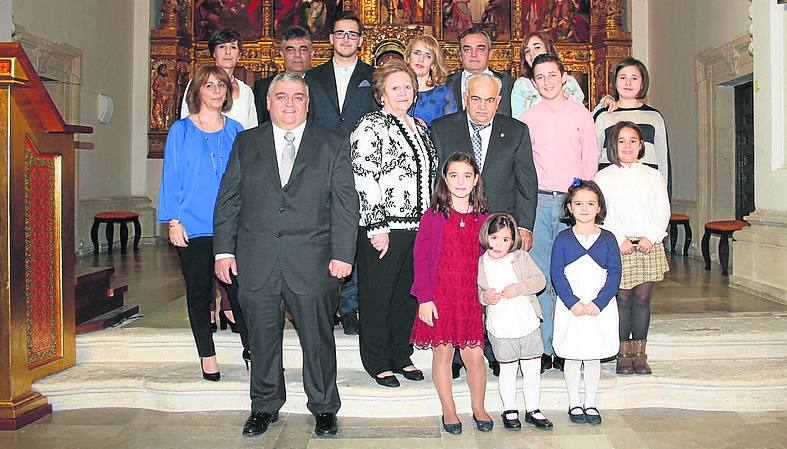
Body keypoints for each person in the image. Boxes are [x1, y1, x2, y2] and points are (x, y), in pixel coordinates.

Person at [213, 73, 359, 437]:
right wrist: (223, 250)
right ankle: (263, 406)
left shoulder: (332, 144)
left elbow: (345, 204)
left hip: (314, 260)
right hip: (257, 259)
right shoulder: (246, 143)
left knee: (318, 339)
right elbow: (229, 200)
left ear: (308, 103)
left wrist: (343, 253)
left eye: (297, 96)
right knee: (262, 339)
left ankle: (324, 407)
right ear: (268, 102)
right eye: (281, 96)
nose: (289, 103)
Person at [431, 72, 538, 378]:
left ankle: (494, 350)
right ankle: (452, 353)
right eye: (475, 99)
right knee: (458, 287)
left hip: (499, 230)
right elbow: (435, 180)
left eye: (489, 100)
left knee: (495, 287)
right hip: (455, 224)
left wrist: (525, 226)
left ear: (499, 102)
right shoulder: (443, 128)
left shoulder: (516, 130)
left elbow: (526, 182)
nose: (481, 106)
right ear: (466, 98)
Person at [350, 60, 437, 388]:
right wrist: (376, 226)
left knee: (407, 295)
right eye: (395, 87)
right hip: (385, 229)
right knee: (378, 295)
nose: (403, 92)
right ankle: (376, 359)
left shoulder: (421, 127)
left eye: (407, 87)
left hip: (420, 228)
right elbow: (364, 177)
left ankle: (401, 352)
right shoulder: (371, 125)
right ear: (381, 94)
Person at [158, 64, 245, 382]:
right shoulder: (181, 130)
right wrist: (173, 220)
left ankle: (251, 349)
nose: (216, 91)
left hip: (231, 225)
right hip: (192, 224)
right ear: (197, 91)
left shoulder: (236, 130)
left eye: (221, 85)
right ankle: (207, 356)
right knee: (198, 292)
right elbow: (172, 176)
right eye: (209, 85)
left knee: (240, 291)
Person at [520, 54, 598, 373]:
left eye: (552, 75)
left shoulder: (581, 115)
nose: (547, 82)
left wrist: (582, 203)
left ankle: (568, 346)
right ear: (533, 82)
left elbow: (590, 160)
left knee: (568, 274)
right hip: (538, 202)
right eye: (540, 77)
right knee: (540, 275)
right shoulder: (528, 118)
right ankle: (544, 347)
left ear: (563, 76)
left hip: (571, 201)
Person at [305, 11, 378, 334]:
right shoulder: (313, 78)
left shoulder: (372, 76)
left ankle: (350, 307)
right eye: (340, 33)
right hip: (321, 167)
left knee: (355, 236)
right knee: (322, 236)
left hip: (361, 169)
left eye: (352, 34)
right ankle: (326, 303)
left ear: (360, 40)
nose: (346, 39)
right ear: (331, 39)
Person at [411, 151, 493, 435]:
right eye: (454, 175)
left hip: (470, 297)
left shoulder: (485, 219)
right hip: (440, 296)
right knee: (443, 354)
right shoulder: (433, 217)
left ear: (475, 180)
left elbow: (492, 258)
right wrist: (424, 298)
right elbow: (420, 258)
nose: (460, 181)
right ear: (444, 179)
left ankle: (479, 406)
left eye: (467, 176)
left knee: (474, 358)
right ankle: (449, 409)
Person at [594, 121, 670, 375]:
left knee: (642, 298)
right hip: (620, 244)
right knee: (623, 298)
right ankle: (622, 353)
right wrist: (618, 238)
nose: (627, 146)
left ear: (641, 145)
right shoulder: (603, 177)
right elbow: (602, 212)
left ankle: (640, 353)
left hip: (648, 244)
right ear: (613, 146)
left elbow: (662, 209)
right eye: (621, 141)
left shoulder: (652, 175)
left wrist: (652, 236)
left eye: (633, 141)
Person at [551, 179, 621, 426]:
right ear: (569, 207)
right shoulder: (562, 239)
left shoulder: (609, 239)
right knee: (573, 354)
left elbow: (614, 274)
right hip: (572, 307)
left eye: (590, 203)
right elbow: (557, 274)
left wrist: (598, 303)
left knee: (592, 355)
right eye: (578, 203)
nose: (584, 208)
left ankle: (590, 401)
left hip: (598, 307)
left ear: (599, 206)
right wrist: (572, 302)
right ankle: (574, 402)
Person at [477, 213, 553, 430]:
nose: (498, 244)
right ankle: (509, 409)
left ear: (513, 241)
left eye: (505, 240)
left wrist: (519, 288)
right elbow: (478, 292)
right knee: (508, 370)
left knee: (531, 369)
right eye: (494, 238)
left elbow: (540, 281)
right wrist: (485, 298)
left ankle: (533, 409)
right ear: (486, 237)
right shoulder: (482, 263)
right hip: (501, 327)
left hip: (527, 323)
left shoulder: (521, 258)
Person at [593, 57, 671, 195]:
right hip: (611, 189)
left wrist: (664, 194)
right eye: (623, 77)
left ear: (642, 83)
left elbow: (662, 159)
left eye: (634, 78)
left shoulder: (654, 116)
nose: (628, 82)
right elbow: (593, 157)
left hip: (646, 189)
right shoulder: (603, 116)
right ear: (615, 82)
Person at [181, 28, 257, 130]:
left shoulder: (246, 91)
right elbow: (186, 124)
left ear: (239, 55)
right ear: (213, 53)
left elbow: (252, 129)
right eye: (222, 47)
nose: (228, 52)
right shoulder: (197, 84)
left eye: (233, 47)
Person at [511, 31, 585, 120]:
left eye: (537, 47)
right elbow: (518, 122)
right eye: (527, 51)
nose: (532, 53)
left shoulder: (569, 81)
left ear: (548, 48)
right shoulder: (522, 84)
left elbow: (582, 116)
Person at [447, 27, 515, 117]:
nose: (473, 54)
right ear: (460, 55)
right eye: (467, 49)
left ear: (490, 54)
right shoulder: (445, 84)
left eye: (480, 49)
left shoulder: (509, 84)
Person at [253, 25, 314, 124]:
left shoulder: (323, 87)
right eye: (290, 50)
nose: (297, 55)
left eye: (303, 50)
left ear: (312, 53)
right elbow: (259, 126)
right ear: (282, 54)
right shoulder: (263, 87)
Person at [404, 35, 458, 127]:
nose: (421, 59)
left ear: (433, 64)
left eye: (428, 56)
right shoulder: (396, 89)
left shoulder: (444, 92)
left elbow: (451, 129)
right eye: (417, 53)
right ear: (408, 58)